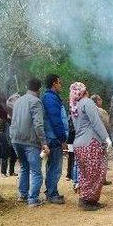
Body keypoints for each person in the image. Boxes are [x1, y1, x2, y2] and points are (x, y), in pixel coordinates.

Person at [69, 82, 111, 210]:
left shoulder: (75, 105)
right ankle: (87, 201)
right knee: (96, 172)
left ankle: (89, 200)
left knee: (85, 173)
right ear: (84, 91)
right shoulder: (88, 103)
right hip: (90, 143)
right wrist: (106, 138)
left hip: (79, 144)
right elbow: (96, 122)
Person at [9, 78, 49, 207]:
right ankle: (33, 199)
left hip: (15, 139)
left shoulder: (18, 101)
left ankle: (23, 195)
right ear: (39, 89)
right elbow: (38, 124)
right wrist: (43, 142)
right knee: (36, 170)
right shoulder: (36, 101)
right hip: (30, 140)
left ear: (27, 86)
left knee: (24, 167)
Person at [41, 74, 67, 204]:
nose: (61, 85)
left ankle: (51, 191)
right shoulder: (50, 98)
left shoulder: (49, 97)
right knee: (55, 167)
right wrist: (62, 138)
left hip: (51, 136)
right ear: (54, 83)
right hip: (54, 137)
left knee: (52, 166)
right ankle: (52, 194)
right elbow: (56, 121)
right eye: (59, 83)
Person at [90, 94, 112, 185]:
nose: (101, 101)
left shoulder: (88, 110)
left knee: (93, 159)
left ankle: (95, 179)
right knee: (103, 159)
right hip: (101, 138)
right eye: (99, 100)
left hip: (91, 139)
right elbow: (107, 123)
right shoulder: (101, 111)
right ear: (96, 101)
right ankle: (102, 179)